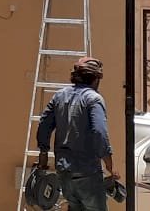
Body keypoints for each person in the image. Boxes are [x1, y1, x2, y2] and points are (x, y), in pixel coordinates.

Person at [36, 56, 119, 211]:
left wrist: (43, 153)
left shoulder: (60, 96)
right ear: (96, 79)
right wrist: (110, 164)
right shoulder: (94, 99)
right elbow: (99, 133)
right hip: (87, 172)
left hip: (64, 171)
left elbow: (44, 125)